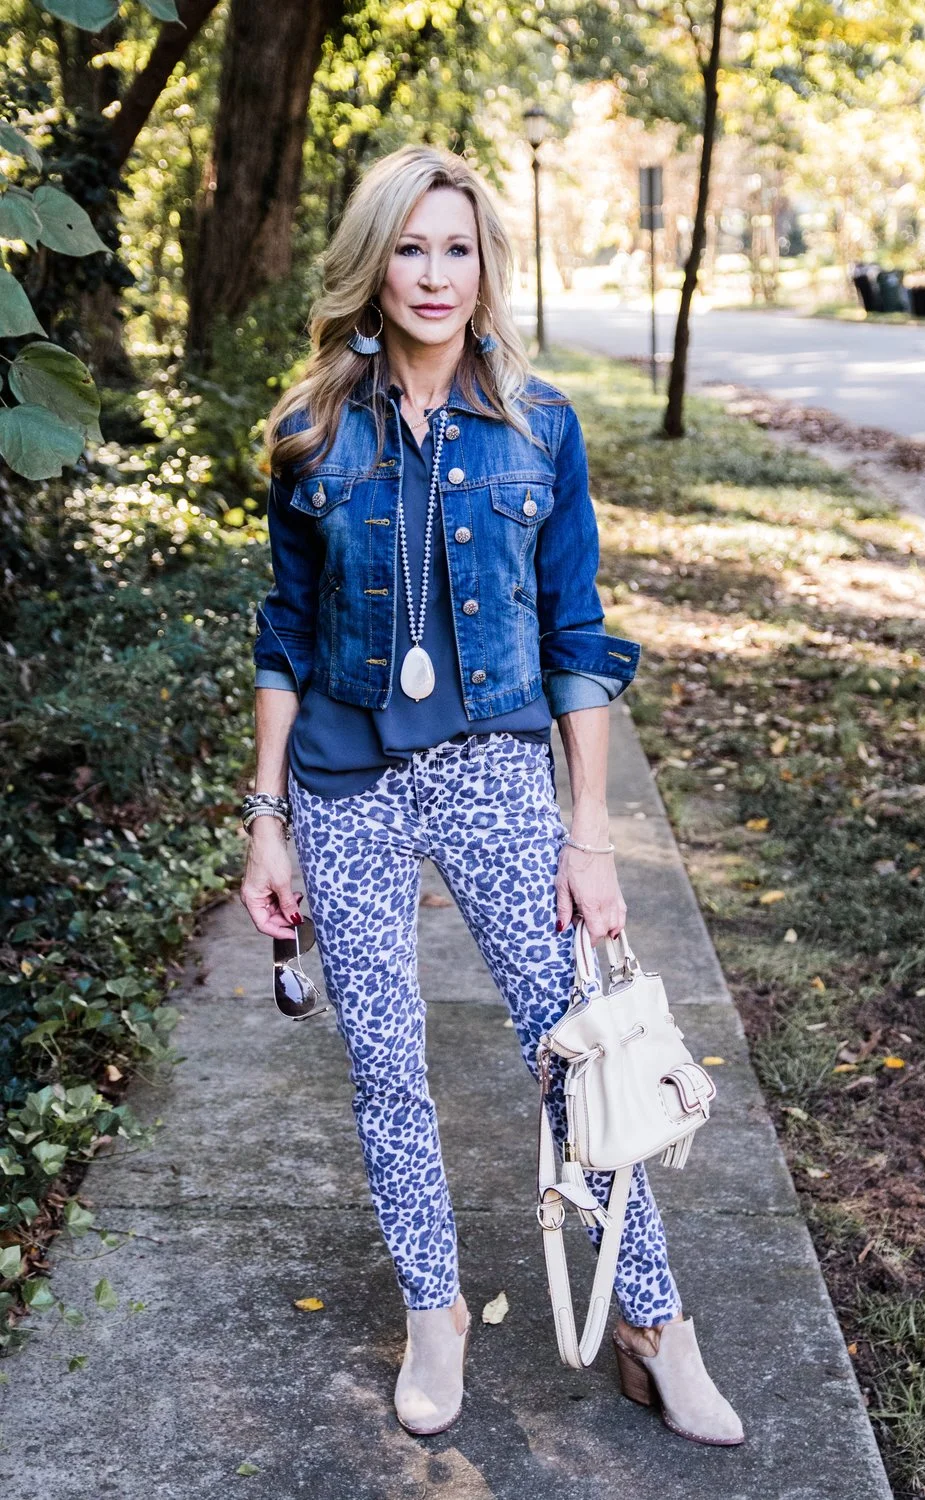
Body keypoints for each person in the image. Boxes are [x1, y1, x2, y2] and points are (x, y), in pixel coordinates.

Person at [240, 144, 743, 1446]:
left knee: (576, 1053)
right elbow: (285, 634)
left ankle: (654, 1325)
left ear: (485, 266)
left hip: (493, 772)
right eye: (409, 247)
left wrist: (591, 835)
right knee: (385, 1064)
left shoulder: (539, 424)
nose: (433, 274)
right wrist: (266, 818)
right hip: (344, 784)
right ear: (373, 265)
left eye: (456, 248)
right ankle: (434, 1312)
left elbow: (577, 639)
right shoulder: (312, 431)